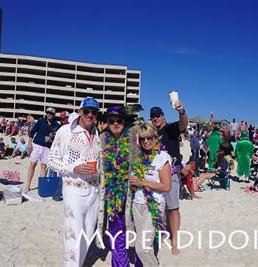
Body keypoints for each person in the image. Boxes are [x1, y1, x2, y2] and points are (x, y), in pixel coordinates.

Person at [47, 97, 101, 267]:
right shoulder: (65, 131)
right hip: (73, 189)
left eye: (94, 112)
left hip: (94, 191)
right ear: (80, 112)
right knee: (74, 234)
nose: (90, 115)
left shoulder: (97, 132)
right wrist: (72, 168)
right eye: (87, 111)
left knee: (88, 233)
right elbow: (51, 159)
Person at [98, 106, 140, 266]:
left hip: (132, 196)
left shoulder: (134, 141)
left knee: (135, 235)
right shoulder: (101, 141)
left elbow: (142, 165)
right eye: (111, 120)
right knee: (116, 236)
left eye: (119, 120)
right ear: (107, 122)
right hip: (111, 198)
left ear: (125, 122)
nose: (115, 123)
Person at [128, 123, 172, 266]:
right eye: (142, 139)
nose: (146, 142)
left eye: (149, 138)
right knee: (145, 243)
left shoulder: (162, 157)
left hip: (153, 206)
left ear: (155, 138)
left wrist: (142, 182)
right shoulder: (140, 157)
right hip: (137, 204)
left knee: (143, 249)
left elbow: (166, 186)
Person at [149, 103, 187, 256]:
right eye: (153, 116)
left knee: (173, 208)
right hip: (156, 174)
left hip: (171, 173)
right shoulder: (151, 132)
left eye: (158, 115)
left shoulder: (171, 128)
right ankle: (163, 232)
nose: (156, 118)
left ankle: (175, 241)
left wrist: (181, 111)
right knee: (159, 207)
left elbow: (183, 124)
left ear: (163, 116)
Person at [25, 107, 60, 193]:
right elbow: (32, 132)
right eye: (48, 113)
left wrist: (52, 138)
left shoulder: (56, 125)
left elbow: (57, 138)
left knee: (43, 167)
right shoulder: (41, 121)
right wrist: (29, 144)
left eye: (51, 113)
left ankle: (42, 186)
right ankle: (27, 186)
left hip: (48, 148)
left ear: (54, 115)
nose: (49, 114)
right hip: (37, 145)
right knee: (32, 164)